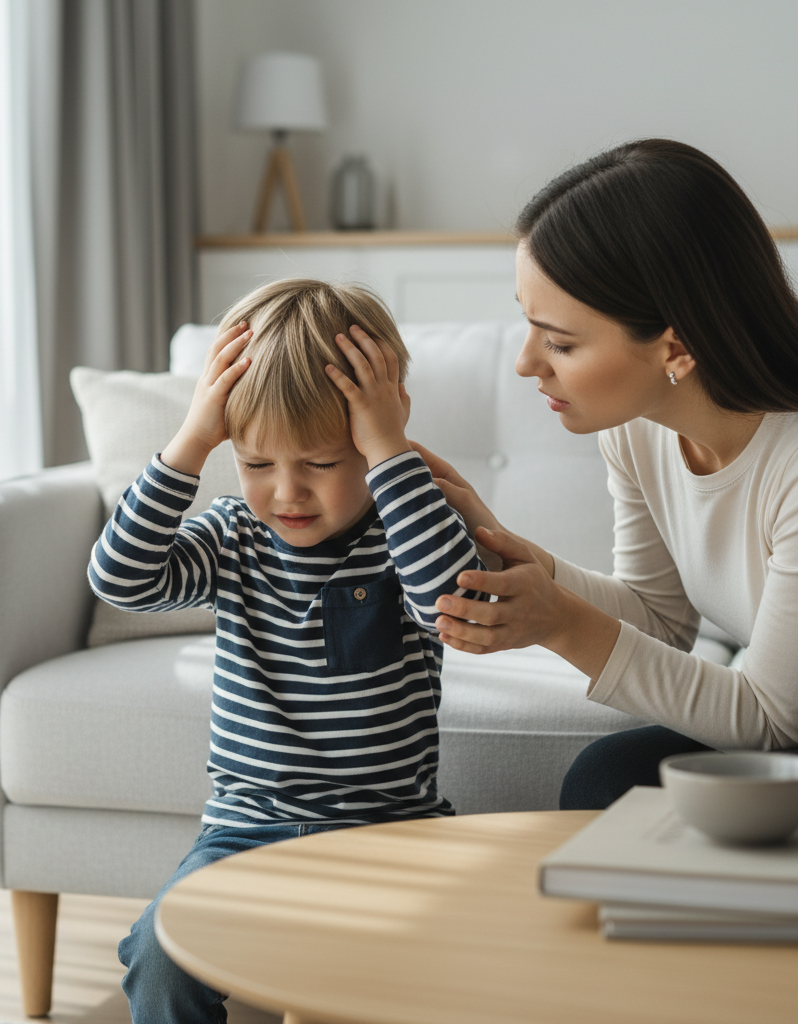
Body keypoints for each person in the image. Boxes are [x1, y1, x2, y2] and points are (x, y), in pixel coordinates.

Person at [88, 278, 488, 1024]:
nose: (287, 494)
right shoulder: (234, 533)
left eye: (324, 464)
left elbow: (450, 607)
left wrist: (391, 453)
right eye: (257, 463)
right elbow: (120, 579)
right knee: (159, 956)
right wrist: (192, 439)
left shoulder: (404, 529)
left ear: (370, 443)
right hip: (246, 829)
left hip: (392, 827)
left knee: (467, 953)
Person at [418, 138, 798, 810]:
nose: (527, 362)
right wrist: (515, 553)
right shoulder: (638, 430)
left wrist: (559, 622)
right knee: (608, 780)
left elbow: (771, 722)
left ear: (675, 347)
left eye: (560, 341)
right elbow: (659, 621)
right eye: (529, 327)